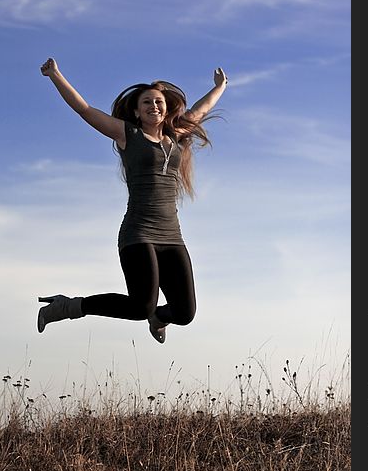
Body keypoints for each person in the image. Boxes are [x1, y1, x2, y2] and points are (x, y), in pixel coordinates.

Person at [37, 57, 227, 343]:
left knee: (185, 313)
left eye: (158, 102)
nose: (154, 106)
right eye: (147, 102)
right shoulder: (128, 135)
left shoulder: (175, 137)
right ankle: (68, 306)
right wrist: (55, 75)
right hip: (138, 233)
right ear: (137, 112)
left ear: (166, 109)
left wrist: (220, 87)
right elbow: (85, 110)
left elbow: (200, 111)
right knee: (140, 306)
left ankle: (159, 318)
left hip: (172, 236)